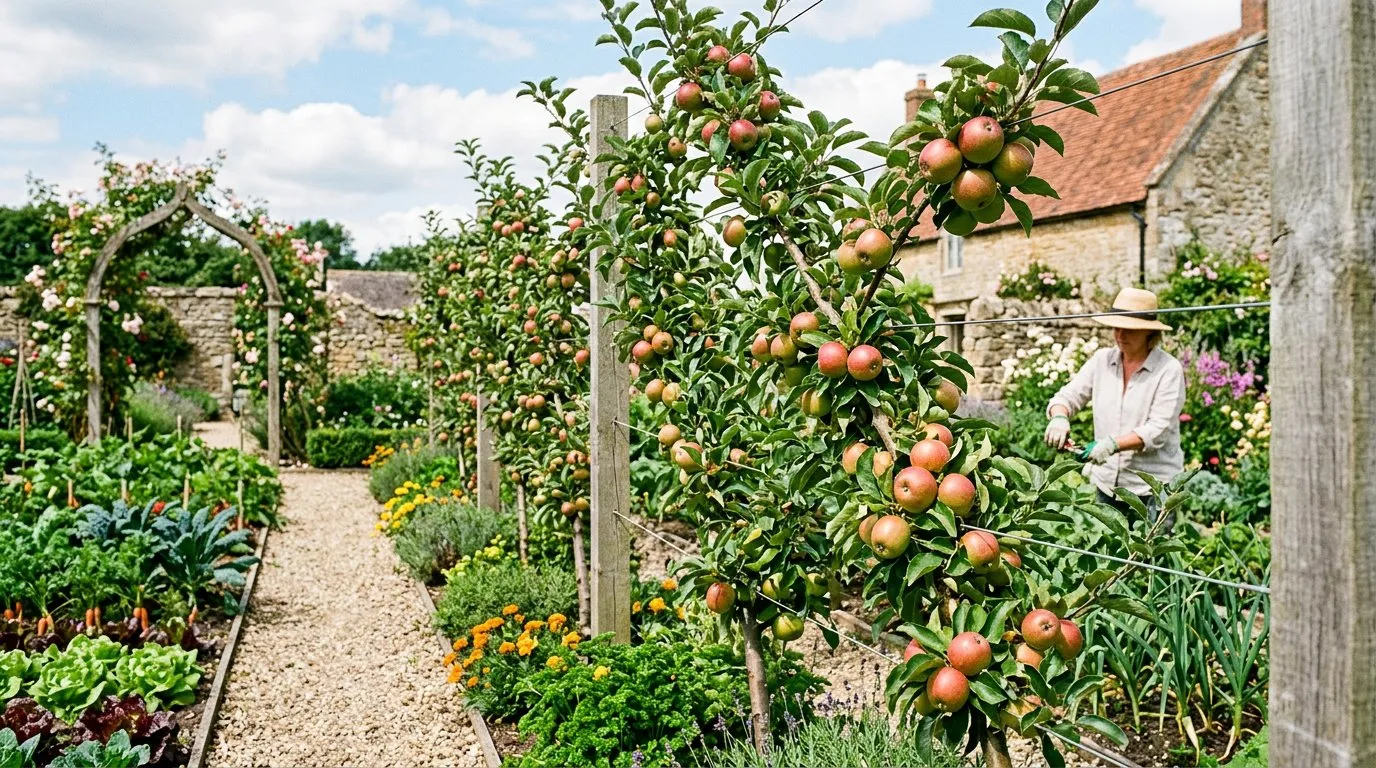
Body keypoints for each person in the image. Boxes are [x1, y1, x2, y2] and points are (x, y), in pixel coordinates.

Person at [1043, 287, 1186, 524]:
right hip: (1107, 483)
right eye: (1116, 327)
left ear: (1149, 332)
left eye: (1129, 329)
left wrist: (1112, 444)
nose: (1120, 334)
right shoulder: (1102, 361)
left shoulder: (1168, 370)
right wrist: (1059, 417)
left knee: (1151, 546)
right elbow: (1068, 396)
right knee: (1105, 544)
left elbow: (1158, 429)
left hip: (1152, 487)